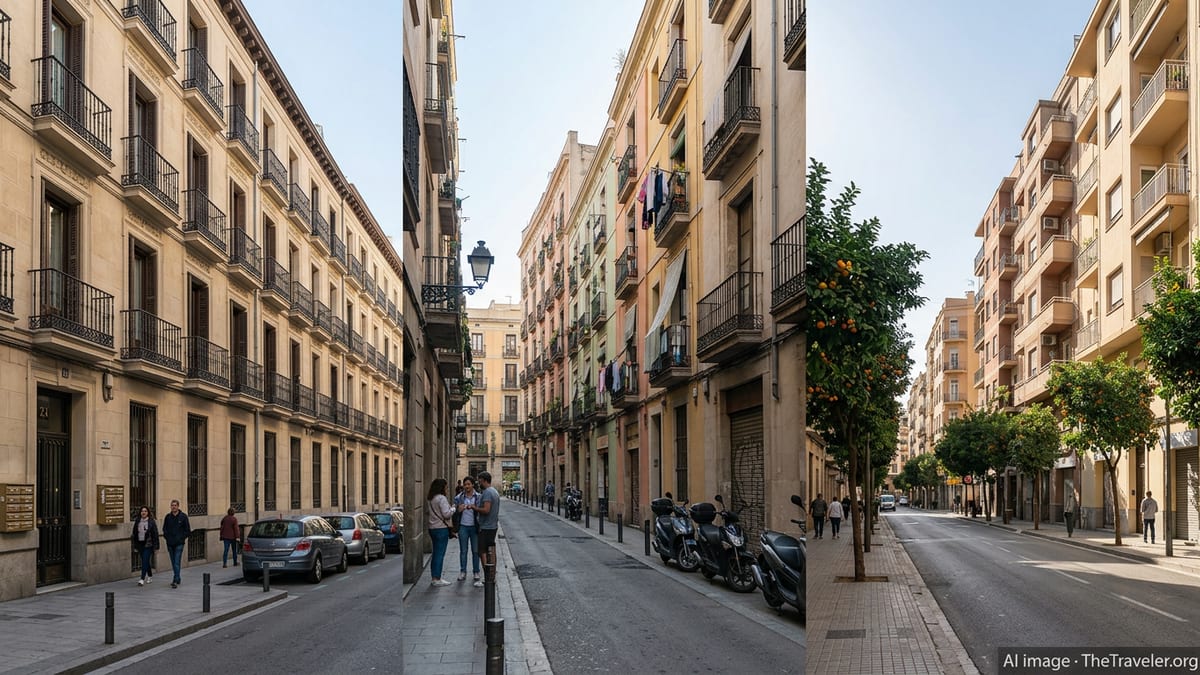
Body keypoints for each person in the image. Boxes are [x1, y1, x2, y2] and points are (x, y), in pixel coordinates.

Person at [427, 478, 456, 587]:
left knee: (435, 554)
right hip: (441, 529)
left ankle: (434, 577)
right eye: (446, 487)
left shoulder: (431, 498)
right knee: (440, 554)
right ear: (442, 487)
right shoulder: (441, 498)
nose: (447, 489)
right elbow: (446, 514)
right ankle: (437, 578)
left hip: (432, 528)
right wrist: (453, 508)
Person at [454, 476, 482, 586]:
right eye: (465, 484)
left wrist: (474, 507)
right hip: (463, 527)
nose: (467, 486)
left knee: (475, 551)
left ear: (473, 485)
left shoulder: (479, 497)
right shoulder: (459, 498)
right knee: (463, 551)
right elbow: (454, 511)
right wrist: (458, 509)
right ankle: (463, 571)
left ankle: (476, 571)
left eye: (469, 484)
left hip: (474, 527)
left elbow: (481, 511)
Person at [475, 471, 501, 573]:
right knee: (491, 549)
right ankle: (492, 571)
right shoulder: (494, 491)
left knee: (482, 551)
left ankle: (487, 573)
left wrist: (475, 508)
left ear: (485, 481)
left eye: (480, 481)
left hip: (486, 527)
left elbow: (486, 510)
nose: (479, 483)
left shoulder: (487, 493)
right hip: (492, 526)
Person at [162, 499, 191, 589]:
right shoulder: (168, 517)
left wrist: (181, 538)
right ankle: (177, 577)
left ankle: (175, 579)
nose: (173, 507)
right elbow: (164, 529)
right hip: (170, 543)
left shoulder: (183, 517)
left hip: (179, 543)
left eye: (175, 505)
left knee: (176, 561)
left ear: (178, 506)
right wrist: (167, 538)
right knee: (173, 562)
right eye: (172, 505)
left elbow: (187, 530)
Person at [131, 505, 159, 586]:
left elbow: (155, 534)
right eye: (142, 511)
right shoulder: (137, 521)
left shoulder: (151, 521)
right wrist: (134, 545)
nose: (144, 512)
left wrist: (156, 546)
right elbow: (134, 533)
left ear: (148, 513)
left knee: (144, 561)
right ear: (140, 512)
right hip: (140, 544)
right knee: (145, 561)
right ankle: (150, 575)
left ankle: (142, 579)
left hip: (148, 544)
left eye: (145, 511)